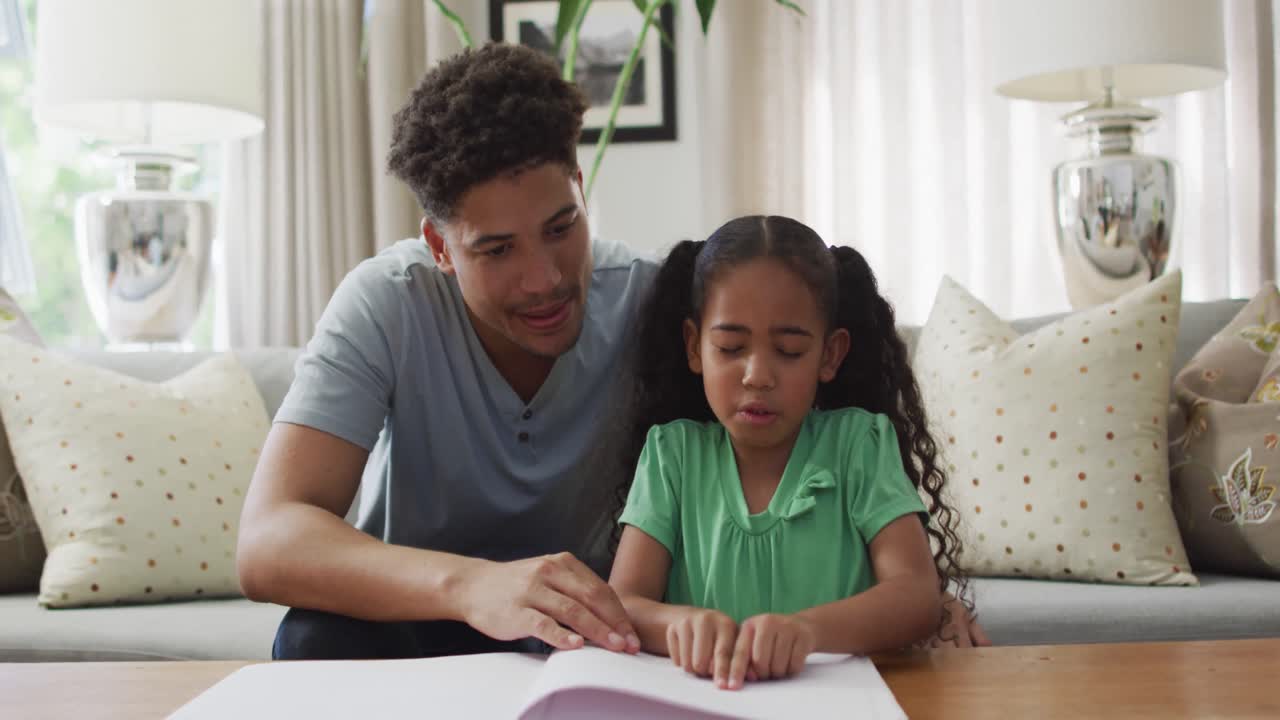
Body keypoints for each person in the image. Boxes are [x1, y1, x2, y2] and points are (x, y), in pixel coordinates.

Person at [236, 42, 987, 661]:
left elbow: (790, 424)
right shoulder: (383, 304)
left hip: (595, 635)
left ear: (582, 191)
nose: (545, 280)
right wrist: (474, 587)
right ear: (439, 246)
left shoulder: (652, 304)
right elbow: (269, 542)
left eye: (562, 227)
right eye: (495, 249)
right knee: (308, 640)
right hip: (424, 616)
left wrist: (912, 598)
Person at [608, 216, 971, 690]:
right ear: (695, 348)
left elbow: (916, 597)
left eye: (790, 351)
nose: (757, 375)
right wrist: (678, 624)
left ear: (830, 355)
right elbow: (623, 604)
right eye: (731, 347)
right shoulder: (671, 455)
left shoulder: (859, 446)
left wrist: (807, 632)